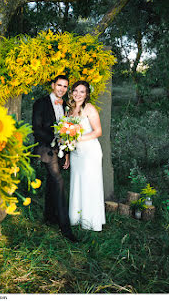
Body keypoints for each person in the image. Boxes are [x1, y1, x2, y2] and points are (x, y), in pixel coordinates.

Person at [32, 75, 77, 242]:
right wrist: (55, 138)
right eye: (59, 85)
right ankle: (65, 228)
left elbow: (69, 132)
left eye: (65, 87)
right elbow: (36, 129)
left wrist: (67, 153)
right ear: (52, 85)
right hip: (46, 149)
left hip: (60, 151)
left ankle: (49, 217)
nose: (62, 89)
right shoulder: (41, 103)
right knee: (58, 182)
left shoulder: (66, 106)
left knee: (52, 182)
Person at [64, 81, 105, 231]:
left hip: (89, 152)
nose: (78, 94)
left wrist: (78, 139)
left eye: (82, 92)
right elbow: (66, 133)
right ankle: (76, 218)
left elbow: (98, 131)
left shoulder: (89, 108)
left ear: (87, 94)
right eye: (75, 90)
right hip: (76, 153)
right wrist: (67, 153)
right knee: (77, 183)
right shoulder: (69, 110)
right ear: (72, 92)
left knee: (89, 184)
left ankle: (91, 222)